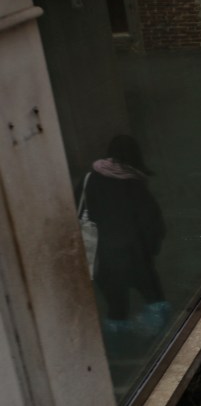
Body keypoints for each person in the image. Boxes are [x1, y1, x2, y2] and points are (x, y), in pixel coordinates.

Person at [85, 134, 169, 337]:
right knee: (155, 300)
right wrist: (151, 250)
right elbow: (153, 224)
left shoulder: (89, 179)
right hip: (134, 256)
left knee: (116, 309)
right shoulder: (134, 185)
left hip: (102, 259)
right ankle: (155, 344)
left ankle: (118, 345)